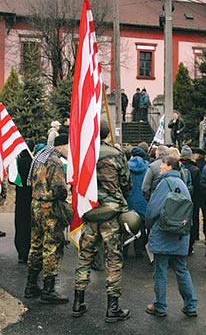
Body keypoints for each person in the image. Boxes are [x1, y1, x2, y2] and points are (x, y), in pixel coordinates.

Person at [72, 120, 132, 322]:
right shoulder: (116, 154)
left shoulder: (85, 154)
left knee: (85, 258)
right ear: (107, 135)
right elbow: (126, 183)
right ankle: (112, 308)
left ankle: (78, 302)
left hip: (90, 212)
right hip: (111, 215)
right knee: (114, 260)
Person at [145, 155, 198, 317]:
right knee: (181, 269)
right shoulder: (183, 184)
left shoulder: (164, 184)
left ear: (169, 167)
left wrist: (149, 228)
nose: (160, 167)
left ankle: (160, 305)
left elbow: (152, 210)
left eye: (163, 164)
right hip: (180, 234)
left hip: (163, 233)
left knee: (160, 270)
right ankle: (190, 305)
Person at [24, 133, 69, 304]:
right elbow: (59, 189)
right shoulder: (55, 161)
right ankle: (48, 289)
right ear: (61, 146)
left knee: (36, 243)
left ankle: (31, 284)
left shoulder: (39, 157)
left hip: (35, 205)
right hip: (49, 208)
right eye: (67, 147)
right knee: (51, 246)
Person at [13, 139, 35, 263]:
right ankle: (32, 252)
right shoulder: (35, 163)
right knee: (31, 226)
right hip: (32, 199)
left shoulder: (17, 163)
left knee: (20, 226)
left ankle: (22, 253)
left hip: (20, 200)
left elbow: (12, 180)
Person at [125, 147, 148, 258]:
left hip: (129, 200)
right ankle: (139, 251)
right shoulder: (148, 167)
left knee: (126, 225)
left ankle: (124, 250)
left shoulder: (126, 166)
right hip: (143, 200)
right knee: (141, 226)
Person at [180, 145, 201, 256]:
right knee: (192, 222)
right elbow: (199, 188)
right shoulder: (195, 169)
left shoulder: (177, 167)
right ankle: (190, 246)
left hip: (179, 201)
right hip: (192, 200)